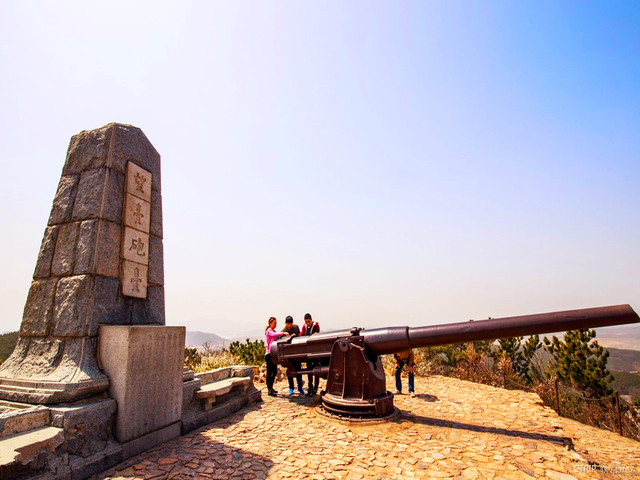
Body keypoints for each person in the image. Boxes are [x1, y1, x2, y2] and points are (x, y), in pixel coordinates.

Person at [265, 316, 288, 396]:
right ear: (270, 323)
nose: (275, 324)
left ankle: (271, 387)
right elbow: (274, 334)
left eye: (276, 323)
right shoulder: (269, 331)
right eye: (274, 323)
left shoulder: (273, 331)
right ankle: (269, 389)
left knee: (274, 371)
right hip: (269, 354)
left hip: (273, 354)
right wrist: (283, 333)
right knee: (269, 372)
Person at [282, 315, 305, 395]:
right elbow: (281, 340)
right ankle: (291, 387)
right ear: (285, 323)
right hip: (288, 354)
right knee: (289, 371)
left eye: (290, 324)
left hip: (296, 352)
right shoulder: (283, 331)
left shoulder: (296, 327)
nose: (289, 325)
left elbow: (299, 338)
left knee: (298, 370)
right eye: (288, 324)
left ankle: (300, 387)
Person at [300, 313, 320, 396]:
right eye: (306, 322)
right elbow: (302, 334)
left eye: (308, 321)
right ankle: (310, 387)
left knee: (316, 370)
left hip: (315, 351)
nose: (307, 323)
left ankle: (315, 387)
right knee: (309, 370)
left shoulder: (315, 326)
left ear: (311, 320)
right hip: (308, 351)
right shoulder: (304, 327)